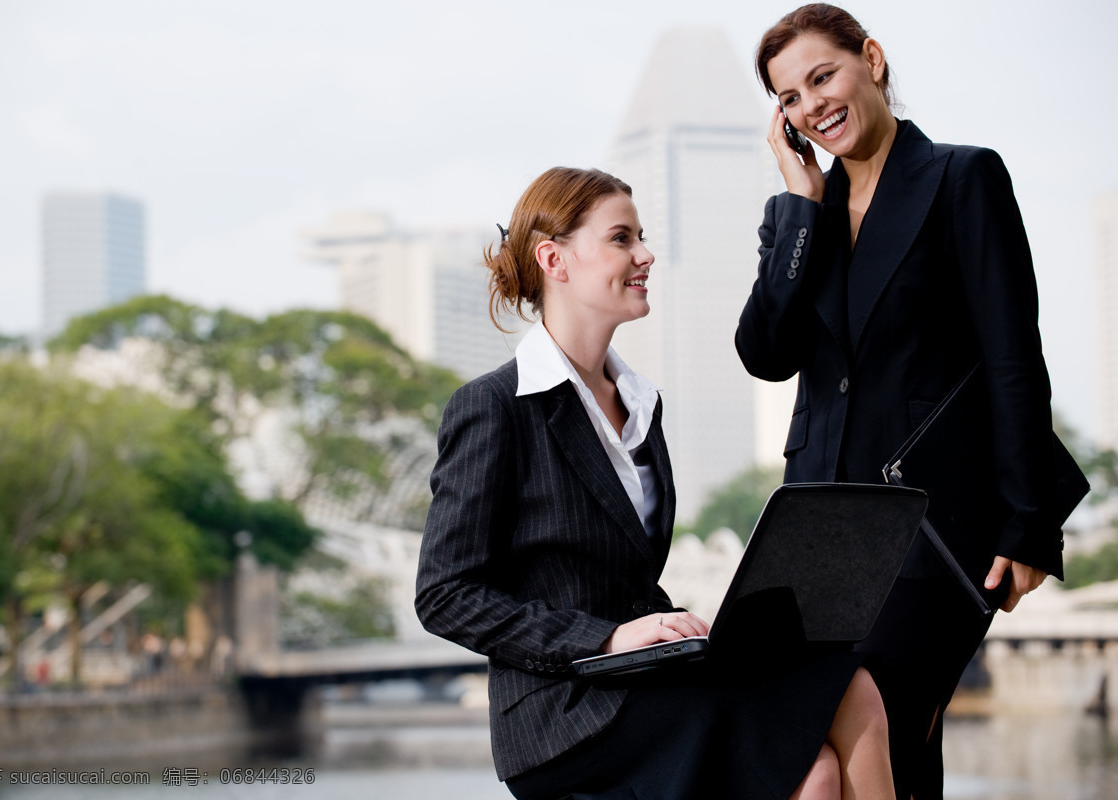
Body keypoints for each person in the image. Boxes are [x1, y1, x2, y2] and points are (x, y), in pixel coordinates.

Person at [416, 166, 896, 799]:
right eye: (621, 238)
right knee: (813, 764)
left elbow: (626, 579)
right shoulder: (495, 407)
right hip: (565, 708)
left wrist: (691, 630)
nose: (645, 255)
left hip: (645, 677)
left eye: (641, 236)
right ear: (554, 259)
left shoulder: (641, 404)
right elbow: (445, 594)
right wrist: (608, 637)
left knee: (840, 704)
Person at [736, 5, 1065, 798]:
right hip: (816, 528)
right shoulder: (799, 221)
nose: (810, 105)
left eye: (822, 76)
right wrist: (799, 206)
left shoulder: (962, 178)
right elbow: (764, 354)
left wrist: (1028, 524)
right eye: (788, 98)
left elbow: (1014, 358)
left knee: (878, 712)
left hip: (932, 524)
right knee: (854, 756)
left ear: (871, 60)